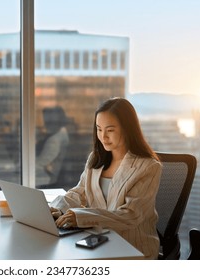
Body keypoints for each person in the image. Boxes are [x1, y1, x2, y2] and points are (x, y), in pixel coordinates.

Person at [50, 97, 162, 259]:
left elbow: (130, 215)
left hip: (132, 246)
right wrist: (58, 208)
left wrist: (82, 216)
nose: (103, 137)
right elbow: (79, 192)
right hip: (97, 240)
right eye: (99, 129)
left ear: (127, 129)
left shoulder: (148, 167)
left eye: (110, 130)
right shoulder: (95, 158)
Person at [35, 106, 69, 187]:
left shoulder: (54, 140)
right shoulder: (63, 132)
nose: (46, 125)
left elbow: (41, 163)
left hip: (50, 179)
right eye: (45, 121)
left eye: (49, 122)